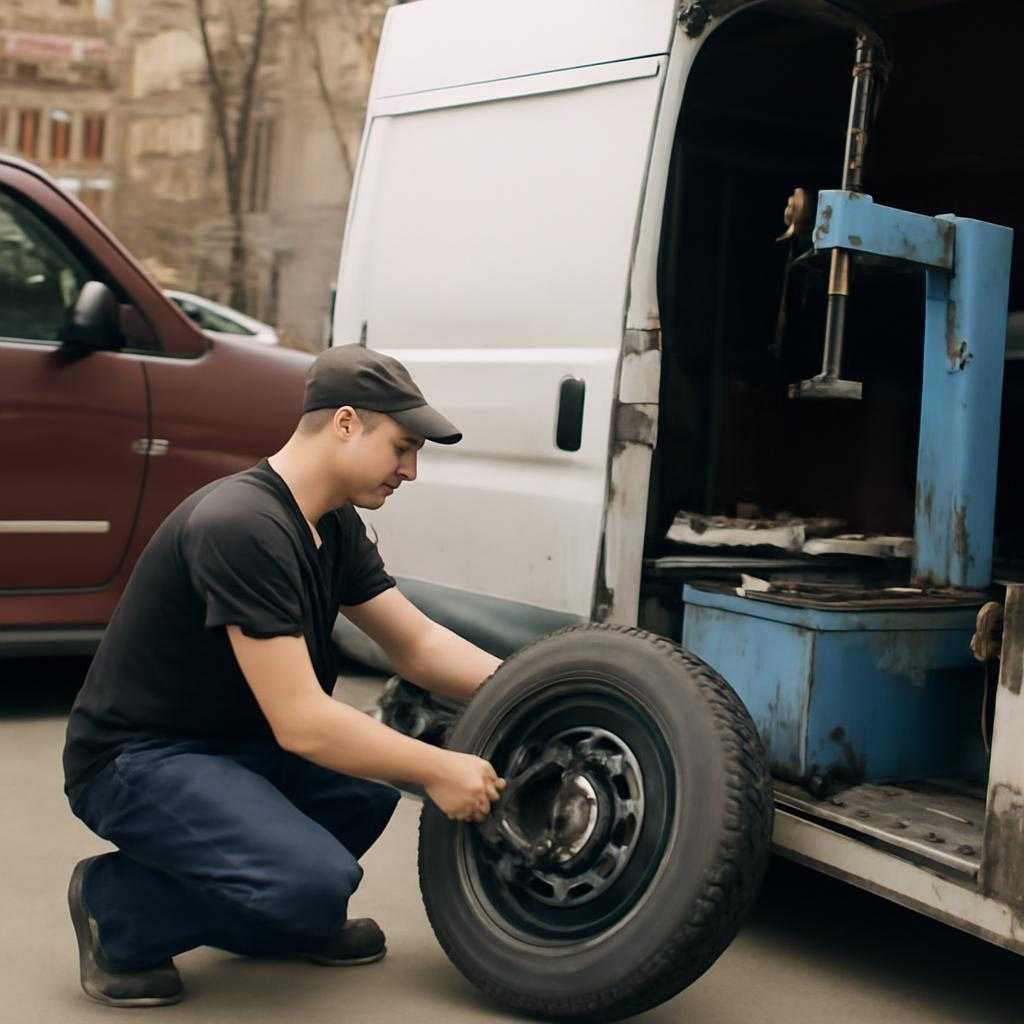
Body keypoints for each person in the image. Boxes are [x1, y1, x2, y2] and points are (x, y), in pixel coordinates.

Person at [62, 344, 505, 1007]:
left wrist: (538, 684)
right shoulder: (242, 525)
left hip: (239, 745)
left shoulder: (331, 523)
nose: (411, 470)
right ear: (346, 423)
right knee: (313, 883)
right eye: (403, 447)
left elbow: (414, 643)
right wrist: (437, 769)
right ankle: (116, 908)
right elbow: (302, 722)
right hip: (139, 760)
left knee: (365, 793)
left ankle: (269, 919)